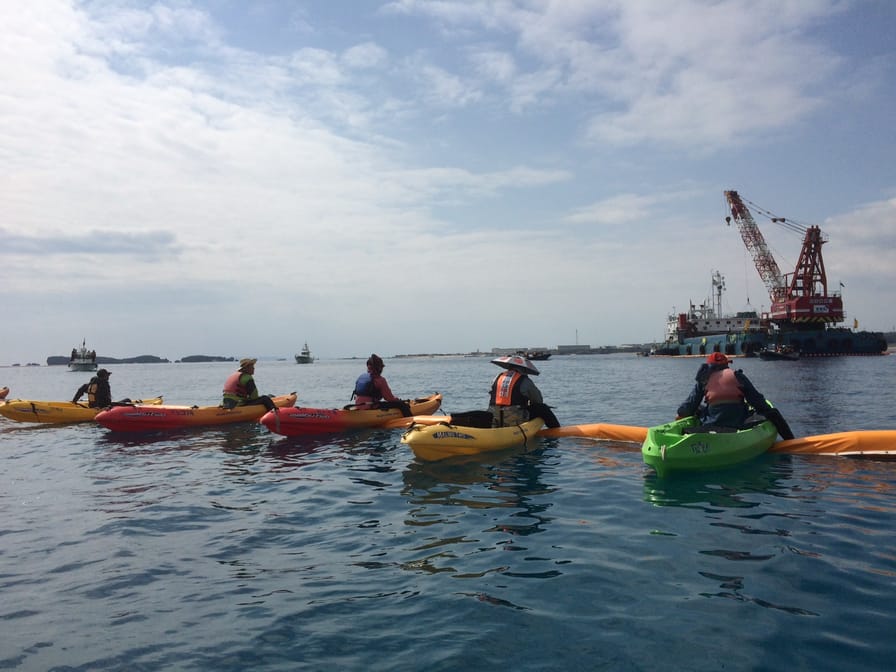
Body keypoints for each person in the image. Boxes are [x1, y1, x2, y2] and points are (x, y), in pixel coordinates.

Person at [676, 351, 794, 439]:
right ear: (726, 364)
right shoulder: (737, 376)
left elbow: (687, 408)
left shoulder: (703, 380)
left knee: (698, 408)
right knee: (773, 413)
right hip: (738, 425)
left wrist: (682, 413)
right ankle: (790, 442)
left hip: (711, 424)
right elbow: (758, 402)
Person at [488, 355, 560, 428]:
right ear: (523, 369)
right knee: (543, 408)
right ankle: (556, 429)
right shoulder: (524, 380)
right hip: (515, 418)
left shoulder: (497, 377)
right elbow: (538, 400)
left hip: (494, 417)